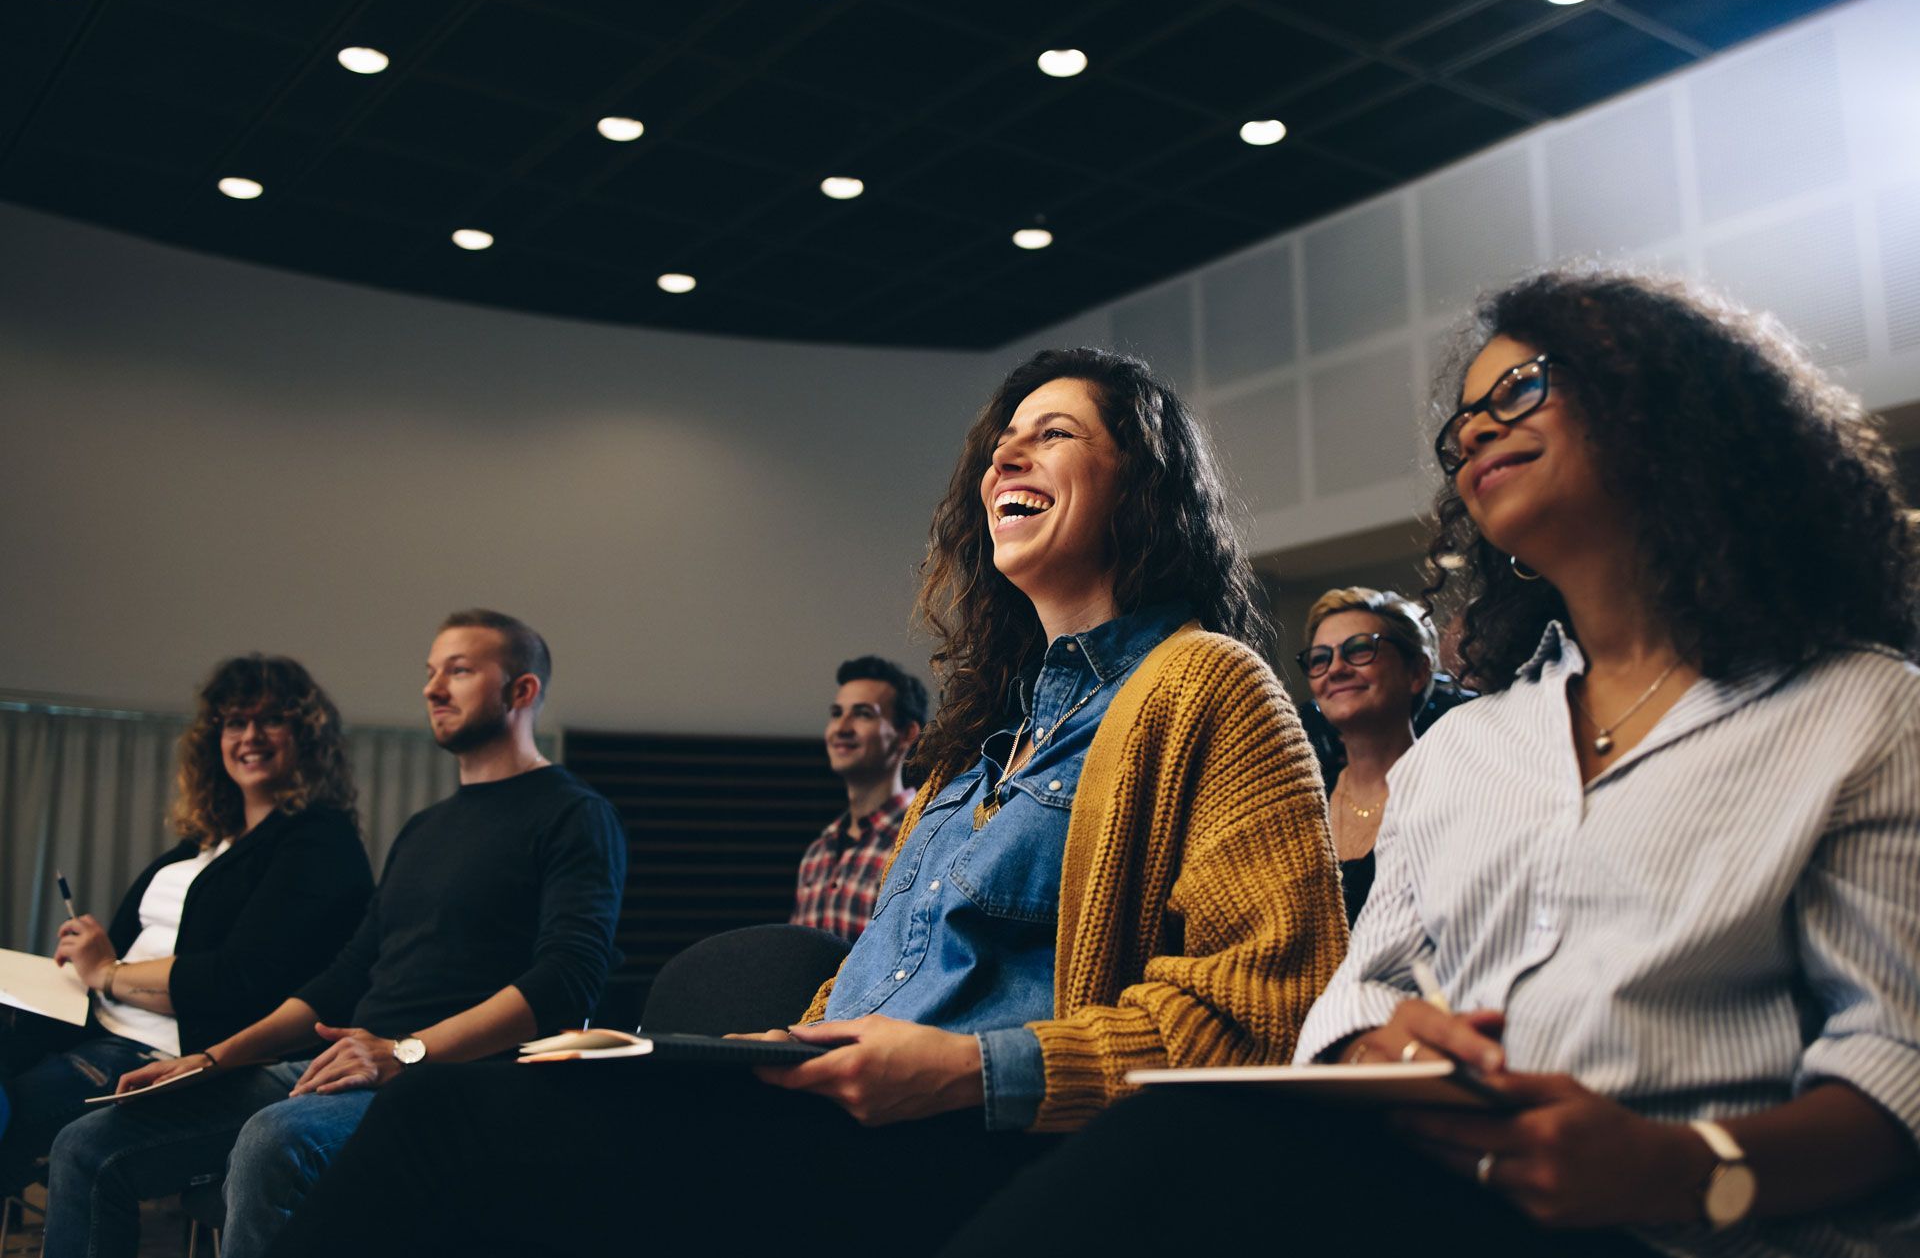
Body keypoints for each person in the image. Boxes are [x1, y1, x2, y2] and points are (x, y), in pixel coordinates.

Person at [260, 347, 1348, 1257]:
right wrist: (784, 1038)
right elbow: (903, 970)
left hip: (976, 1150)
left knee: (442, 1124)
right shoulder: (979, 739)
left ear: (1143, 481)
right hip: (832, 1109)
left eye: (1054, 432)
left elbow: (1268, 1021)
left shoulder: (1209, 685)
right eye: (1002, 439)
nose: (1006, 452)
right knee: (483, 1122)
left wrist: (969, 1072)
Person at [936, 268, 1920, 1257]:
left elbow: (1895, 1059)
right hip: (1446, 1193)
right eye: (1463, 427)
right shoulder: (1463, 749)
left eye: (1520, 390)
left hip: (1696, 1230)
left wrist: (1682, 1164)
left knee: (1179, 1144)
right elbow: (1358, 996)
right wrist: (1380, 1044)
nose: (1478, 433)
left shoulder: (1862, 709)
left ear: (1669, 405)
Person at [42, 610, 627, 1258]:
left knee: (275, 1137)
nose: (433, 688)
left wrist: (405, 1052)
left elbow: (566, 981)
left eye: (458, 670)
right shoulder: (425, 828)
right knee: (89, 1143)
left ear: (521, 690)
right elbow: (347, 975)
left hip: (462, 1081)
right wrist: (213, 1058)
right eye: (430, 672)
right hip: (350, 1067)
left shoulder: (575, 814)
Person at [0, 656, 370, 1197]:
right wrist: (87, 962)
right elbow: (118, 950)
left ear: (307, 737)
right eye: (235, 722)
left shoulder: (319, 843)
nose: (250, 736)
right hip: (88, 1026)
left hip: (148, 1052)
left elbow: (236, 981)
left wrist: (106, 971)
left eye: (271, 720)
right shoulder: (200, 846)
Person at [1295, 587, 1440, 923]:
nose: (1336, 669)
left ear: (1416, 672)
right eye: (1319, 658)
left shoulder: (1453, 786)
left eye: (1360, 650)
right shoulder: (1303, 804)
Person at [790, 655, 928, 942]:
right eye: (837, 713)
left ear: (907, 734)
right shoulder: (817, 853)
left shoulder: (922, 839)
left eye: (863, 713)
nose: (841, 728)